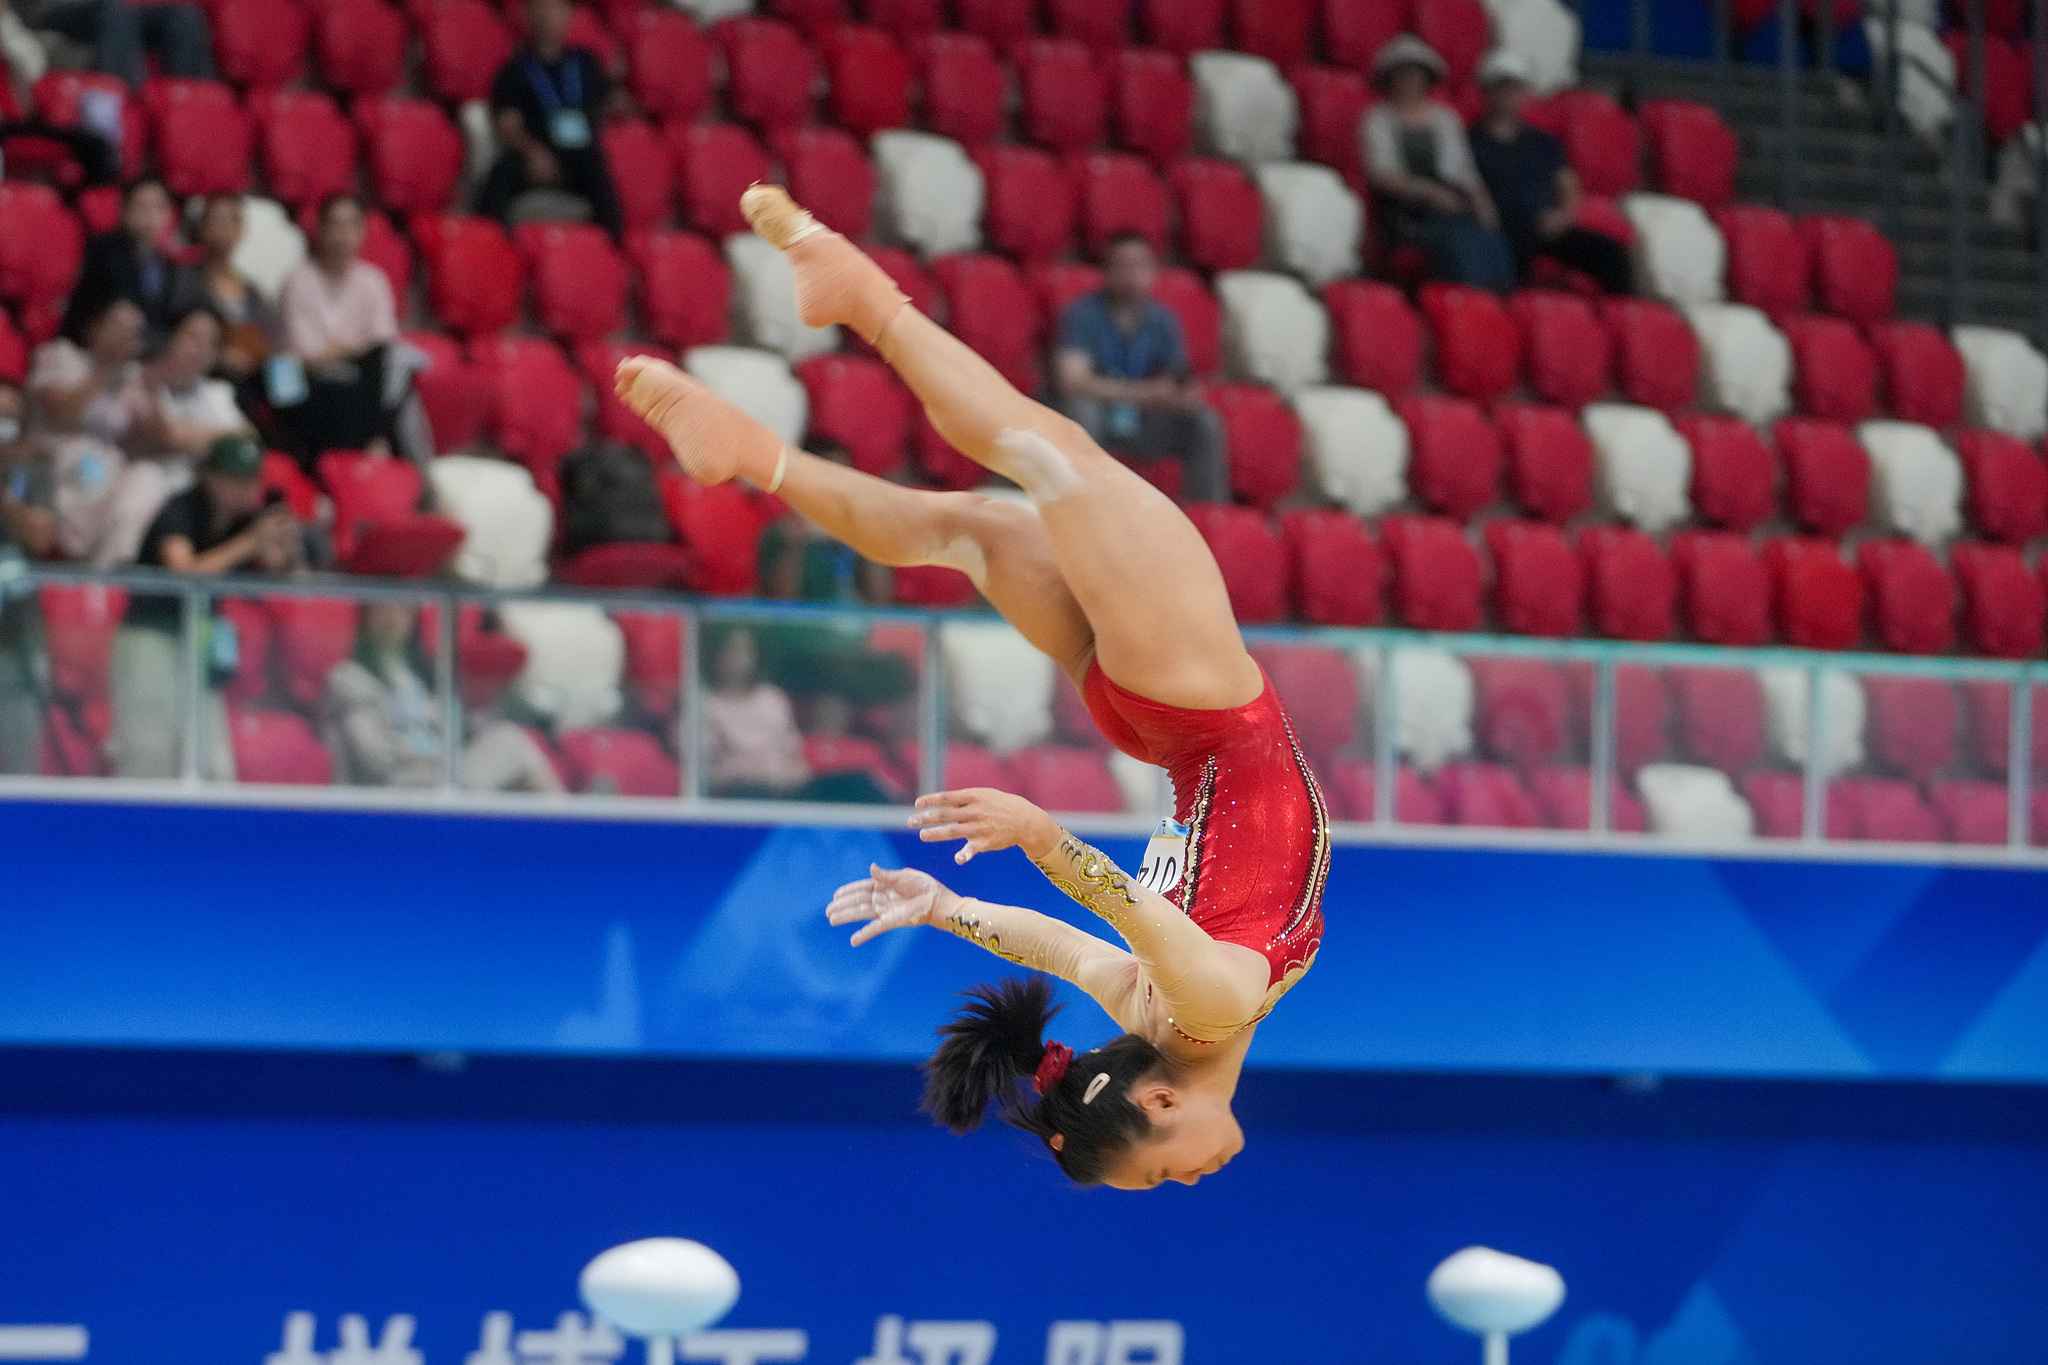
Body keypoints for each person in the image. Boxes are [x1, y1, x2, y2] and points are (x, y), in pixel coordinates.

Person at [614, 186, 1331, 1190]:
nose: (1190, 1180)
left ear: (1158, 1100)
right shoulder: (1161, 1013)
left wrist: (1020, 857)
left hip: (1202, 713)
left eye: (1163, 1173)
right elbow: (1065, 947)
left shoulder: (1200, 1012)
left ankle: (865, 303)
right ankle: (755, 456)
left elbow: (1121, 916)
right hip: (1158, 727)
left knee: (1048, 458)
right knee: (969, 530)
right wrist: (946, 906)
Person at [109, 432, 302, 778]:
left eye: (249, 481)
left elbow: (279, 570)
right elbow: (183, 573)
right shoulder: (182, 510)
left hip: (198, 639)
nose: (242, 490)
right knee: (150, 754)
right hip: (150, 635)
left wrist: (280, 544)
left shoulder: (243, 520)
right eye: (233, 480)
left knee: (212, 761)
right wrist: (248, 544)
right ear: (209, 475)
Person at [1051, 232, 1227, 505]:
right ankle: (1082, 504)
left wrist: (1184, 396)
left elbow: (1178, 382)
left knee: (1204, 421)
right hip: (1099, 418)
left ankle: (1208, 516)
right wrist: (1146, 392)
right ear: (1107, 271)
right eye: (1124, 265)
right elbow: (1072, 382)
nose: (1134, 274)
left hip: (1143, 422)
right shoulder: (1083, 314)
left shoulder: (1163, 321)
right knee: (1082, 411)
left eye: (1142, 265)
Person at [323, 601, 565, 793]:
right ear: (366, 617)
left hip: (445, 775)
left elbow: (454, 732)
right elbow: (374, 759)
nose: (393, 616)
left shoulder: (425, 676)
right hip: (400, 785)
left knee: (509, 738)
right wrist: (432, 762)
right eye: (383, 608)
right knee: (510, 747)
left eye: (403, 608)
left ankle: (567, 828)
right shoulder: (349, 678)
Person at [96, 304, 254, 567]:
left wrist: (191, 435)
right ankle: (111, 580)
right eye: (192, 337)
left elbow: (248, 439)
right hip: (139, 485)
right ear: (169, 337)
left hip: (197, 502)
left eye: (210, 343)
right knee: (143, 483)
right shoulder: (139, 377)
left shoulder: (216, 392)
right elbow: (167, 434)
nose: (201, 349)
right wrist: (217, 436)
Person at [1469, 51, 1634, 295]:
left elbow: (1568, 185)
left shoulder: (1543, 142)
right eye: (1501, 88)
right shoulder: (1471, 141)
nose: (1508, 96)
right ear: (1486, 91)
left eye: (1514, 88)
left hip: (1548, 224)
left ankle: (1618, 318)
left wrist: (1563, 216)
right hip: (1500, 227)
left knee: (1613, 255)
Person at [1362, 35, 1517, 293]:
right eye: (1404, 73)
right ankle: (1464, 303)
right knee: (1458, 240)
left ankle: (1498, 308)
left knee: (1494, 241)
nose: (1411, 80)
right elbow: (1381, 174)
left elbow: (1465, 170)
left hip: (1451, 201)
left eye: (1416, 73)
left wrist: (1483, 204)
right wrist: (1428, 192)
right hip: (1405, 208)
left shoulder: (1446, 118)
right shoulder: (1377, 119)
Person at [476, 0, 623, 239]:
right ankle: (485, 243)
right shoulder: (515, 69)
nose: (547, 16)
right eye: (540, 8)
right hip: (537, 149)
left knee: (603, 184)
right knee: (501, 175)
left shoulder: (585, 63)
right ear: (527, 14)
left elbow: (614, 101)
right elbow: (507, 123)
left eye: (555, 8)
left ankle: (610, 253)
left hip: (581, 155)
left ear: (569, 15)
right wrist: (532, 151)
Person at [276, 193, 400, 470]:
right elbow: (307, 357)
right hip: (304, 382)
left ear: (362, 232)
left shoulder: (374, 280)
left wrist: (338, 348)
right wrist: (356, 347)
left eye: (352, 225)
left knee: (396, 372)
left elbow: (383, 343)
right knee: (343, 389)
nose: (344, 234)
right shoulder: (298, 282)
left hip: (362, 379)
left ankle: (389, 463)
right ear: (319, 230)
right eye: (335, 225)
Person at [26, 293, 147, 562]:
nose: (125, 336)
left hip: (105, 480)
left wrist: (148, 378)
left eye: (133, 332)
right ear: (95, 327)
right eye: (119, 327)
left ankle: (106, 578)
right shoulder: (60, 355)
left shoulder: (131, 375)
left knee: (146, 479)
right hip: (55, 468)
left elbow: (152, 431)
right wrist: (105, 370)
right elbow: (63, 415)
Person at [0, 378, 56, 774]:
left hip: (14, 630)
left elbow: (40, 537)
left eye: (9, 420)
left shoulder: (33, 470)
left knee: (18, 749)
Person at [169, 195, 277, 398]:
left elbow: (268, 335)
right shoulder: (186, 279)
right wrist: (218, 357)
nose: (223, 227)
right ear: (202, 228)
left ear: (240, 228)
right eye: (215, 220)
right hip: (209, 377)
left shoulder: (251, 288)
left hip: (255, 375)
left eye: (230, 220)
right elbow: (175, 332)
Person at [61, 176, 179, 346]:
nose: (150, 216)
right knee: (125, 317)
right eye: (141, 207)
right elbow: (123, 301)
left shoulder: (164, 262)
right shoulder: (105, 250)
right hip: (87, 346)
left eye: (158, 207)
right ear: (124, 210)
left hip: (141, 350)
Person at [702, 623, 809, 799]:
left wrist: (789, 775)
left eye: (745, 650)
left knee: (857, 783)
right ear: (715, 654)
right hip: (737, 794)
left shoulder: (772, 698)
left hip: (786, 790)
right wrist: (747, 774)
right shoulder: (702, 703)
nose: (739, 658)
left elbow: (795, 757)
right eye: (731, 650)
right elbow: (703, 771)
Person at [7, 0, 212, 91]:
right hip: (50, 11)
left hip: (107, 9)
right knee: (115, 13)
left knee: (183, 16)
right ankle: (122, 99)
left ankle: (185, 102)